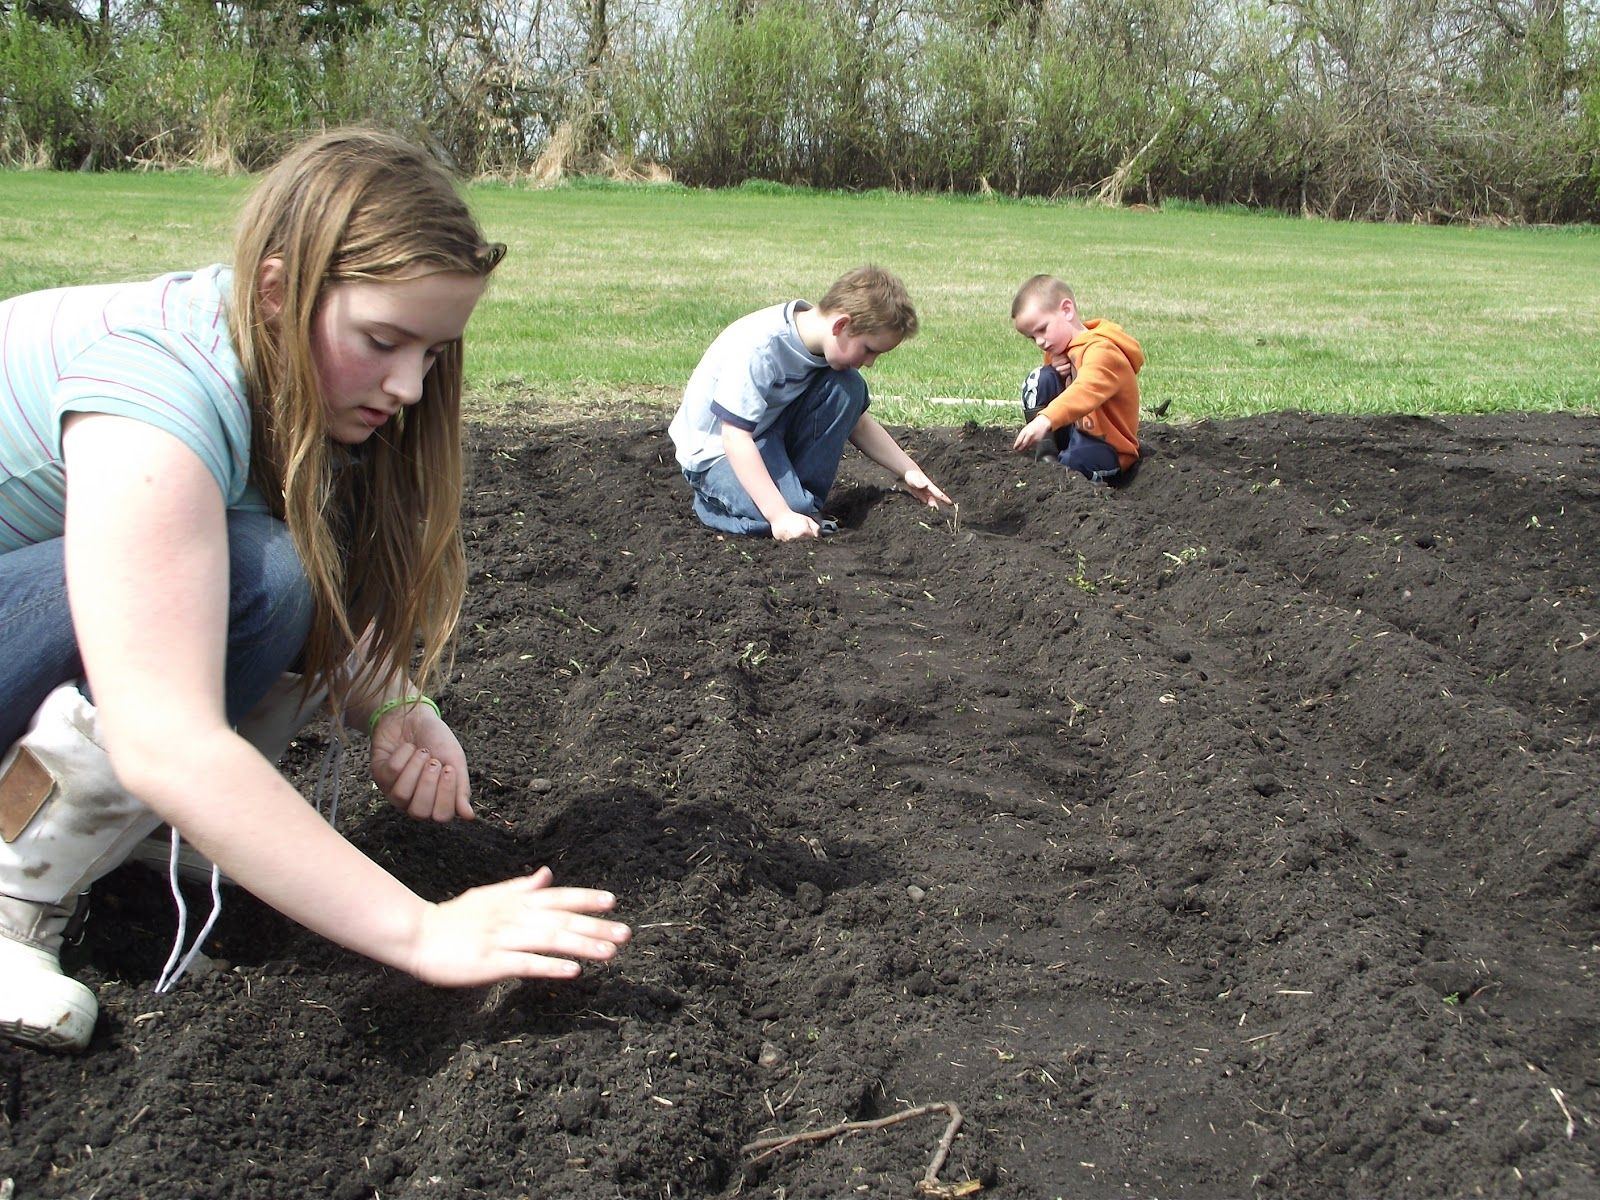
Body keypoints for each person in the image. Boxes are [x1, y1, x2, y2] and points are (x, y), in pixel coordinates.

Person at [0, 128, 630, 1054]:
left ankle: (111, 864)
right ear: (277, 291)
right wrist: (421, 928)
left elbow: (311, 602)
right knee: (257, 576)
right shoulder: (154, 388)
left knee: (273, 572)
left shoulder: (263, 360)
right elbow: (162, 735)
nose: (411, 385)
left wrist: (392, 703)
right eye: (383, 340)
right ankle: (12, 897)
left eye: (434, 351)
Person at [668, 265, 952, 541]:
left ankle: (802, 505)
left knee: (848, 387)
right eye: (869, 350)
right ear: (841, 325)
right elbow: (734, 437)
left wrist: (909, 470)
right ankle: (712, 505)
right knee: (786, 515)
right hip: (716, 453)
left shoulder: (821, 347)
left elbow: (859, 424)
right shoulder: (762, 347)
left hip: (767, 435)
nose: (870, 362)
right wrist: (779, 515)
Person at [1009, 274, 1145, 483]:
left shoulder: (1103, 351)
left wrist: (1045, 419)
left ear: (1067, 310)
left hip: (1108, 448)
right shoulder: (1064, 350)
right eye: (1032, 337)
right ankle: (1047, 454)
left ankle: (1061, 470)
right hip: (1076, 431)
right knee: (1040, 378)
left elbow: (1086, 389)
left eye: (1043, 329)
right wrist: (1054, 367)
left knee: (1072, 466)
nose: (1040, 342)